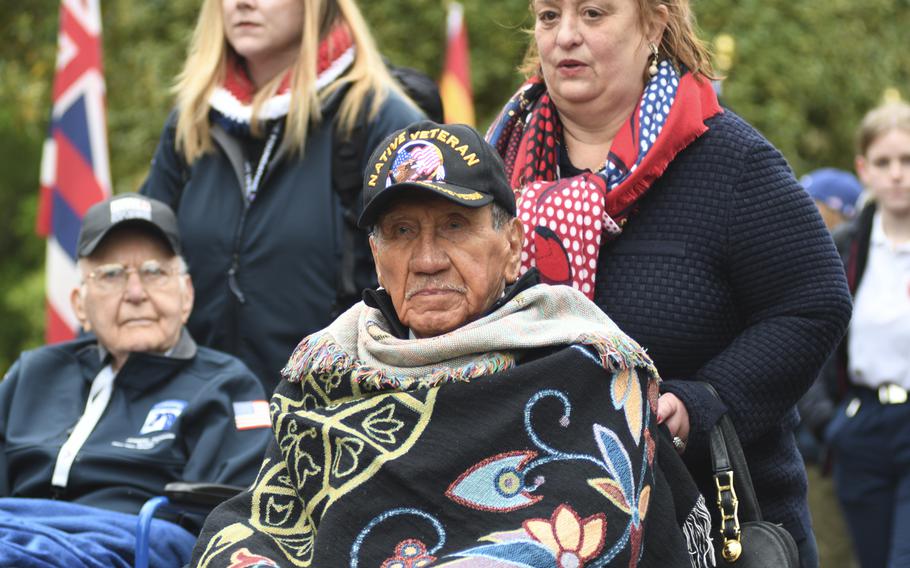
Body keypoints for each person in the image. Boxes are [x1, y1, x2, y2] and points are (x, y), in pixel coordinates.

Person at [189, 122, 715, 568]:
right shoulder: (326, 371)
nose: (427, 259)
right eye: (400, 231)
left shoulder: (584, 364)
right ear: (376, 257)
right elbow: (265, 515)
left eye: (455, 226)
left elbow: (590, 537)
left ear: (511, 247)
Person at [485, 2, 852, 566]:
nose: (565, 36)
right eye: (549, 15)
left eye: (593, 13)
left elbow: (812, 303)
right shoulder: (494, 170)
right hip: (530, 520)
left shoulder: (731, 162)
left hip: (708, 519)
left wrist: (707, 400)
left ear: (652, 25)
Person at [140, 0, 424, 392]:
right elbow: (141, 261)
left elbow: (422, 289)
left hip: (333, 416)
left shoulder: (378, 119)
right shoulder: (192, 122)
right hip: (201, 418)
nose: (242, 3)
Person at [0, 193, 272, 568]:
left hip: (132, 543)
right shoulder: (34, 373)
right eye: (111, 274)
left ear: (186, 295)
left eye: (154, 272)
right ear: (80, 304)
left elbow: (230, 522)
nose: (135, 293)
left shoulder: (227, 387)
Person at [820, 100, 910, 568]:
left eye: (907, 161)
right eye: (884, 163)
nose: (897, 174)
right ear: (864, 169)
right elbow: (812, 330)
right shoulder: (846, 246)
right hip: (863, 423)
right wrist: (828, 422)